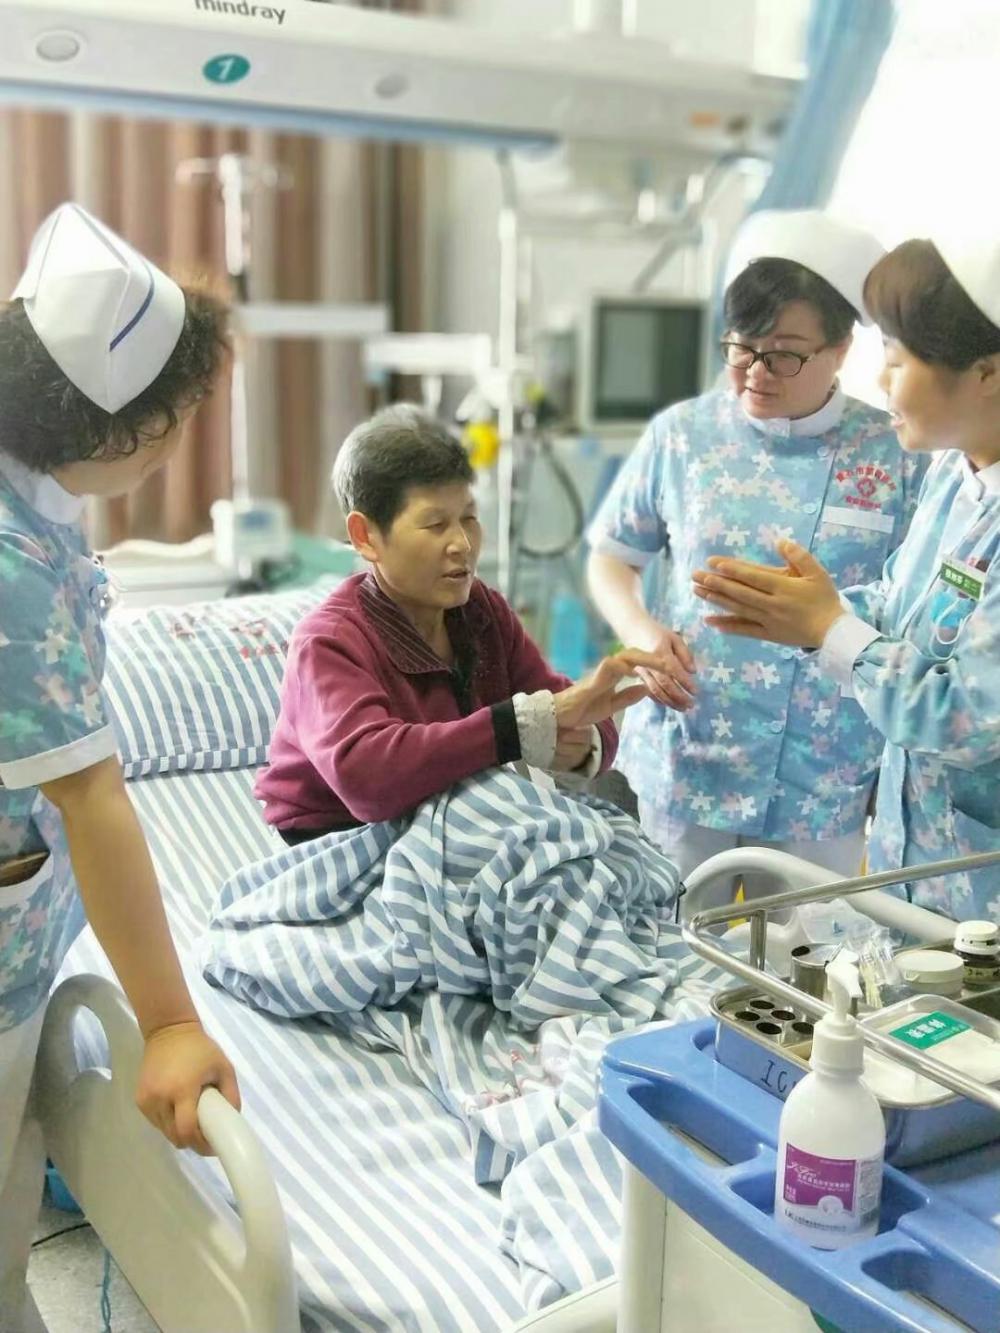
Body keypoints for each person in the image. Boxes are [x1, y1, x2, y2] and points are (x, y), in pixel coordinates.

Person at [0, 204, 239, 1331]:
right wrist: (173, 1021)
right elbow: (91, 796)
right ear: (115, 425)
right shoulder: (10, 565)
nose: (180, 440)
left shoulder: (37, 496)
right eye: (177, 419)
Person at [587, 210, 926, 885]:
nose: (755, 373)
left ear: (841, 349)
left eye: (784, 354)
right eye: (741, 348)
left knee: (810, 943)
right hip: (693, 749)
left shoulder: (894, 453)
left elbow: (913, 610)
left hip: (824, 769)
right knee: (673, 932)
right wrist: (643, 632)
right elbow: (611, 556)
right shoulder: (684, 435)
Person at [693, 227, 1000, 923]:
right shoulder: (954, 478)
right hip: (908, 871)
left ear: (987, 373)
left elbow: (964, 717)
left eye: (896, 358)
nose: (882, 380)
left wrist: (832, 629)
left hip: (978, 897)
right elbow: (899, 602)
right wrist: (803, 610)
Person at [255, 404, 664, 841]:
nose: (463, 544)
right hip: (345, 839)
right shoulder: (331, 642)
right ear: (366, 536)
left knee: (616, 843)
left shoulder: (481, 613)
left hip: (448, 824)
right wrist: (520, 727)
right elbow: (368, 779)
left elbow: (559, 702)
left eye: (469, 518)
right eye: (435, 524)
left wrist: (582, 743)